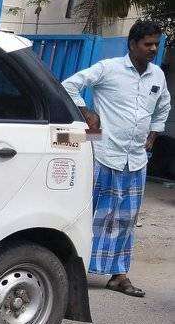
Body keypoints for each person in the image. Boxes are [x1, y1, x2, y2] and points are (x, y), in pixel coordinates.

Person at [62, 20, 171, 297]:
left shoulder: (157, 75)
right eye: (148, 44)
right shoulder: (108, 68)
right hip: (103, 154)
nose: (153, 49)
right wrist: (85, 110)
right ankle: (76, 271)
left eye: (156, 44)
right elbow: (70, 85)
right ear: (132, 44)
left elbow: (164, 106)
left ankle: (118, 275)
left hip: (135, 159)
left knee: (126, 219)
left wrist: (156, 132)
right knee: (92, 214)